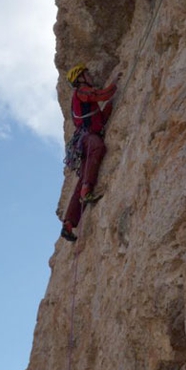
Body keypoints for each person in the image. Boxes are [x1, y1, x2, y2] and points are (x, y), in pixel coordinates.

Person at [61, 63, 120, 242]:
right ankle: (87, 190)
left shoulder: (83, 97)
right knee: (98, 146)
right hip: (88, 139)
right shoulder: (82, 92)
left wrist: (111, 106)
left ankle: (68, 224)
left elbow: (99, 118)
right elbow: (99, 95)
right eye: (86, 74)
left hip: (85, 140)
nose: (90, 76)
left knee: (82, 179)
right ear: (80, 78)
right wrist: (115, 85)